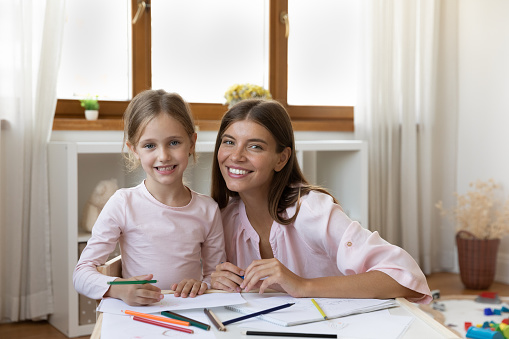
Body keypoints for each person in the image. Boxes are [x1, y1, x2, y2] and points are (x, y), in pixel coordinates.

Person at [210, 99, 431, 303]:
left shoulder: (311, 210)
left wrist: (302, 285)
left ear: (282, 158)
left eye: (255, 146)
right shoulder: (224, 218)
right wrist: (216, 281)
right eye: (229, 142)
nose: (236, 156)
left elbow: (405, 277)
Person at [73, 90, 225, 306]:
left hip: (189, 312)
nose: (163, 156)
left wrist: (203, 284)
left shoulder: (208, 209)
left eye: (174, 142)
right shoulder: (123, 203)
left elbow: (216, 275)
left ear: (192, 143)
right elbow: (81, 274)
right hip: (140, 316)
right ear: (134, 150)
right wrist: (119, 289)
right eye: (150, 145)